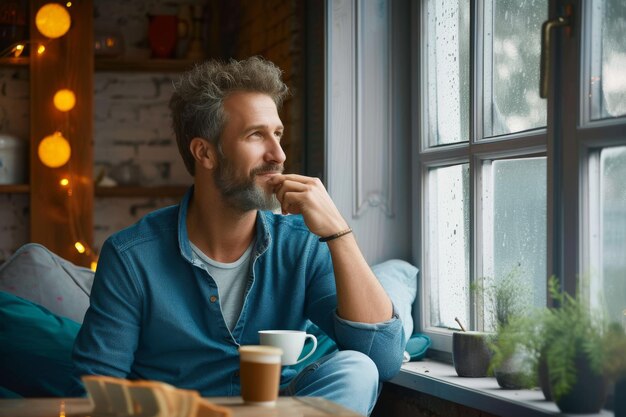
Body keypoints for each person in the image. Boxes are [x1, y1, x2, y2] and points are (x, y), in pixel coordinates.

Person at [72, 56, 405, 415]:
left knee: (356, 370)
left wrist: (339, 233)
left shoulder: (301, 245)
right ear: (205, 152)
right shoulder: (132, 256)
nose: (278, 154)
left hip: (277, 408)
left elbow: (382, 359)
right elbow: (96, 389)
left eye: (277, 134)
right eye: (256, 135)